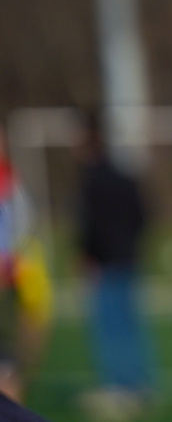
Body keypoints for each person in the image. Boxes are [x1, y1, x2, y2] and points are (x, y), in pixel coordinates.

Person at [74, 114, 155, 420]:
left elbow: (89, 226)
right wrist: (132, 245)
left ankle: (118, 387)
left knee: (109, 327)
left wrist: (88, 254)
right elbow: (143, 215)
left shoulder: (92, 178)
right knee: (131, 325)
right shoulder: (124, 175)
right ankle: (139, 385)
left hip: (106, 262)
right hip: (129, 258)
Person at [0, 126, 52, 404]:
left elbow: (21, 223)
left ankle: (21, 372)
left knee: (33, 320)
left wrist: (10, 260)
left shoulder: (10, 180)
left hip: (13, 269)